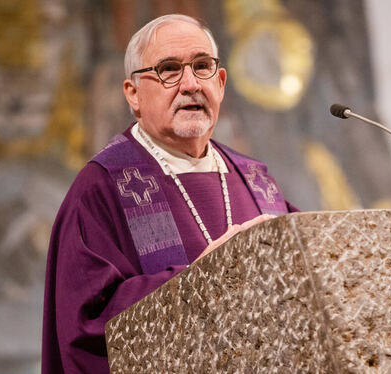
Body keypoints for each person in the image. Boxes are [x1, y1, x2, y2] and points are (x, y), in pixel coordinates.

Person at [42, 14, 297, 373]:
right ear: (133, 93)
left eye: (202, 66)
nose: (191, 83)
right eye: (169, 70)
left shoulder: (256, 180)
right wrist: (202, 279)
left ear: (221, 83)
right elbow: (87, 326)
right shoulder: (103, 187)